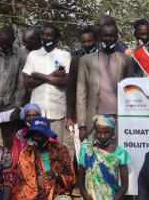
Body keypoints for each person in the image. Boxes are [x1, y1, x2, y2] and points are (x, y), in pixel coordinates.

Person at [12, 117, 77, 200]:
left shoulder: (60, 149)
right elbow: (22, 186)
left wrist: (57, 176)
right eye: (35, 135)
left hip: (59, 196)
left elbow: (71, 179)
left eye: (42, 134)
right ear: (31, 136)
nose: (39, 138)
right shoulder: (26, 154)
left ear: (48, 134)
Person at [77, 115, 132, 200]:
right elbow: (80, 179)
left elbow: (124, 185)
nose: (102, 135)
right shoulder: (86, 149)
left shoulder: (120, 152)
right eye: (99, 132)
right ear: (95, 132)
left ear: (112, 133)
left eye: (106, 132)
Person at [76, 23, 133, 141]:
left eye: (111, 36)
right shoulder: (85, 60)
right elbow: (81, 94)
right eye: (105, 36)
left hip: (119, 118)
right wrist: (82, 126)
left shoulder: (126, 60)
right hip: (94, 119)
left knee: (116, 156)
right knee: (93, 157)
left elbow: (131, 91)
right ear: (100, 37)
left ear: (116, 37)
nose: (108, 39)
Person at [22, 25, 72, 143]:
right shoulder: (33, 55)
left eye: (49, 35)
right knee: (36, 143)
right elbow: (27, 82)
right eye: (43, 35)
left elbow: (65, 81)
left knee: (55, 145)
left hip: (57, 109)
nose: (45, 37)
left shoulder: (64, 56)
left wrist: (39, 75)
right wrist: (52, 75)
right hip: (36, 111)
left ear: (57, 39)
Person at [66, 27, 99, 160]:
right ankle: (82, 180)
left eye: (89, 41)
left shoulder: (103, 59)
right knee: (81, 154)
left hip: (100, 113)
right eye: (83, 42)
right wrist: (69, 117)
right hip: (79, 116)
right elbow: (71, 90)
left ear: (97, 41)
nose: (86, 44)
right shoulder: (75, 60)